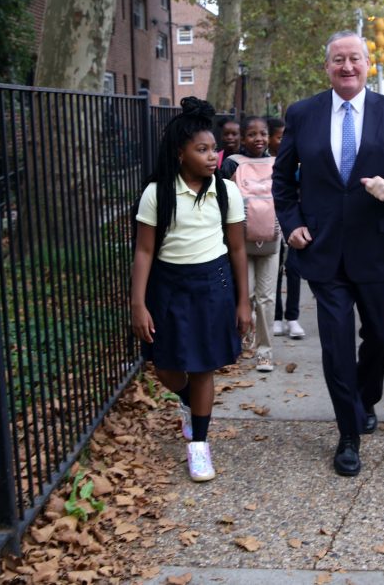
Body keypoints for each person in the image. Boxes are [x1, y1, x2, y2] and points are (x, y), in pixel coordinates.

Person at [272, 31, 384, 477]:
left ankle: (367, 398)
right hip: (323, 250)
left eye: (354, 59)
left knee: (379, 340)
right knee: (336, 345)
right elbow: (283, 181)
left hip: (377, 248)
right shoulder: (303, 114)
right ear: (327, 66)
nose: (347, 67)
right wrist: (292, 224)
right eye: (338, 60)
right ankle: (347, 434)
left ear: (368, 64)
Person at [130, 97, 252, 482]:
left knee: (202, 367)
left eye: (214, 148)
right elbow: (145, 251)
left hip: (212, 287)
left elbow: (237, 248)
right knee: (165, 366)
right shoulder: (157, 193)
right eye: (201, 149)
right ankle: (188, 402)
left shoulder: (226, 192)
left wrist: (243, 301)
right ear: (180, 153)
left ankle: (198, 445)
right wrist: (137, 303)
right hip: (167, 287)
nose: (212, 155)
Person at [221, 116, 281, 371]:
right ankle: (246, 337)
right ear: (244, 138)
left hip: (272, 239)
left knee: (267, 298)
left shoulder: (279, 164)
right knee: (247, 294)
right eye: (252, 134)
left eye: (263, 134)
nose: (259, 139)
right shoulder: (231, 164)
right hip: (239, 242)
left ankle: (264, 352)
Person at [268, 117, 306, 340]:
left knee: (293, 269)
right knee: (275, 273)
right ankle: (276, 317)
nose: (283, 141)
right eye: (279, 137)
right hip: (267, 226)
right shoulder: (261, 163)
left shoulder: (298, 161)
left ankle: (293, 318)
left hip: (292, 224)